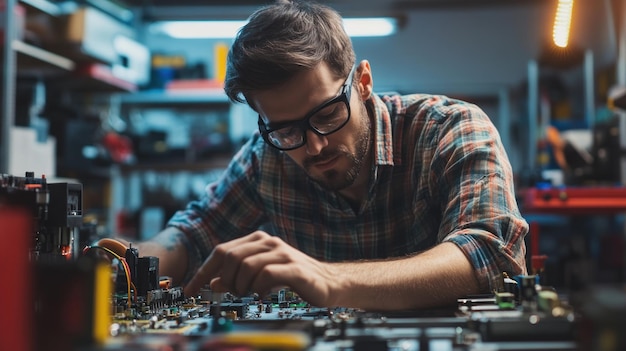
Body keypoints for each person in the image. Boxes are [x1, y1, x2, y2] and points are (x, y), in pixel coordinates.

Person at [119, 0, 528, 311]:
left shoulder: (450, 130)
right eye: (286, 129)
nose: (313, 146)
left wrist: (330, 279)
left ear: (363, 82)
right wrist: (120, 271)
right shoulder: (268, 158)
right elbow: (193, 234)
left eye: (327, 113)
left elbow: (489, 253)